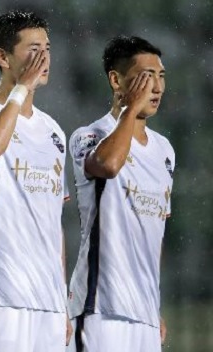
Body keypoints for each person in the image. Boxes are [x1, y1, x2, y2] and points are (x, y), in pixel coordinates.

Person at [0, 10, 71, 351]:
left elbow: (54, 222)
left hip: (48, 303)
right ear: (3, 57)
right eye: (33, 50)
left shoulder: (53, 131)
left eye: (47, 49)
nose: (44, 58)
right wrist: (20, 90)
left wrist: (62, 300)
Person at [67, 36, 172, 352]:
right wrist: (130, 109)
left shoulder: (165, 150)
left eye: (161, 76)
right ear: (116, 80)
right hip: (101, 307)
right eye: (146, 77)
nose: (157, 87)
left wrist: (153, 302)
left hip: (145, 314)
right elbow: (109, 165)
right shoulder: (89, 136)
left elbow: (154, 232)